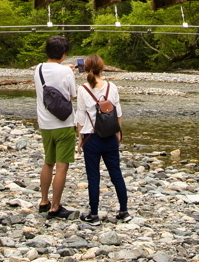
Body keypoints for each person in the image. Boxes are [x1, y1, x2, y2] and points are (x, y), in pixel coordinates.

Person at [76, 54, 129, 225]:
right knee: (116, 174)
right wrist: (118, 133)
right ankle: (124, 211)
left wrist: (79, 139)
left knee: (93, 177)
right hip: (110, 136)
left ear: (85, 69)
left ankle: (94, 214)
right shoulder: (111, 87)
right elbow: (118, 113)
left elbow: (81, 116)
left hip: (91, 137)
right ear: (102, 68)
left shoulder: (83, 89)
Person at [34, 35, 77, 219]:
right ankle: (55, 206)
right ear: (64, 54)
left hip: (45, 124)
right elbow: (72, 95)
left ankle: (44, 201)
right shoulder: (66, 72)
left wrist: (65, 69)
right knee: (62, 166)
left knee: (48, 162)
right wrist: (69, 71)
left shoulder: (38, 69)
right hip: (64, 124)